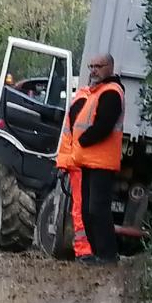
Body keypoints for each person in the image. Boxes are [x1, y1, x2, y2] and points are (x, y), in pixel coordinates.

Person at [71, 54, 124, 265]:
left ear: (110, 67)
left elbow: (104, 125)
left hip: (101, 162)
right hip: (89, 161)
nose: (93, 70)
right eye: (91, 66)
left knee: (97, 209)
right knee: (88, 209)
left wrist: (83, 140)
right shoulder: (98, 91)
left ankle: (108, 254)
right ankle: (96, 253)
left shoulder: (111, 92)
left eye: (98, 66)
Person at [56, 84, 93, 260]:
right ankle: (83, 250)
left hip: (76, 161)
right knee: (81, 207)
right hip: (79, 162)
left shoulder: (80, 99)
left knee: (81, 206)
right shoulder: (85, 102)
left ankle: (84, 249)